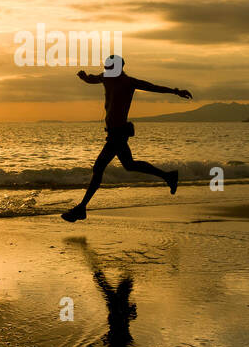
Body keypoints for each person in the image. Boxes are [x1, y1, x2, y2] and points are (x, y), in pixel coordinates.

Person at [61, 55, 192, 222]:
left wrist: (175, 91)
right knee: (129, 165)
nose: (106, 69)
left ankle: (81, 208)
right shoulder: (106, 77)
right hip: (114, 133)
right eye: (106, 67)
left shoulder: (128, 82)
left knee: (99, 167)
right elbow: (93, 79)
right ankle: (168, 176)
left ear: (118, 68)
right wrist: (84, 77)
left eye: (109, 67)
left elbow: (152, 87)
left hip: (118, 133)